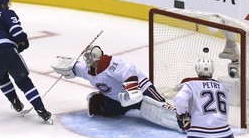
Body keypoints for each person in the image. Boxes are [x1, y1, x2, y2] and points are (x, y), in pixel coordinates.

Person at [51, 45, 180, 131]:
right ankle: (103, 101)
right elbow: (72, 65)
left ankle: (182, 119)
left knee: (159, 107)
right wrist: (65, 66)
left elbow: (130, 70)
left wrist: (133, 89)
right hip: (118, 99)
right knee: (106, 111)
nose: (87, 61)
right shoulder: (86, 68)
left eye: (89, 59)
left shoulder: (112, 65)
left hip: (141, 90)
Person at [0, 0, 51, 122]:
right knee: (23, 81)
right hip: (6, 51)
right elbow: (16, 32)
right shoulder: (7, 13)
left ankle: (15, 102)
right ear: (2, 5)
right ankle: (41, 110)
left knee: (1, 78)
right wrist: (22, 41)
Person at [173, 57, 246, 138]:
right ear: (212, 70)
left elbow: (179, 100)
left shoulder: (189, 84)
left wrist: (183, 117)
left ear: (197, 69)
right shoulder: (223, 87)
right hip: (222, 132)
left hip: (198, 133)